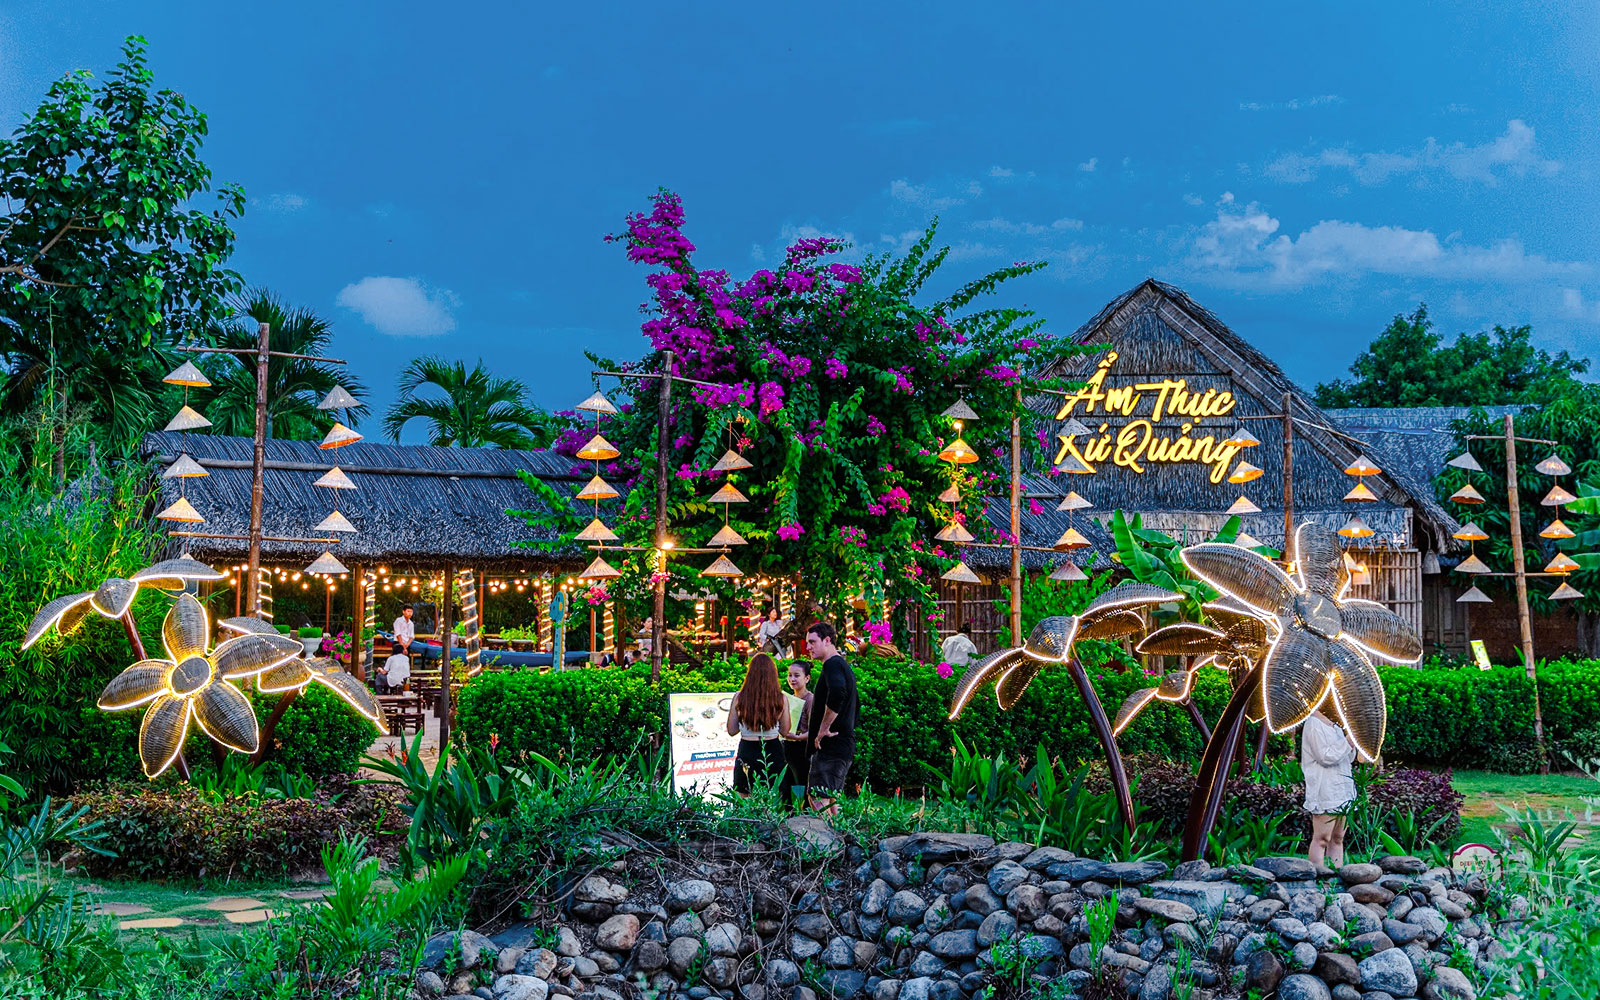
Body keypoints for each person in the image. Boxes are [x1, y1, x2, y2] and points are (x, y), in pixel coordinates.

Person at [804, 622, 858, 815]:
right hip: (840, 743)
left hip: (833, 744)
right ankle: (839, 836)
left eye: (812, 642)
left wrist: (822, 728)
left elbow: (837, 692)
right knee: (829, 796)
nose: (808, 647)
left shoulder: (833, 664)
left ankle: (827, 842)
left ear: (827, 640)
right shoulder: (839, 664)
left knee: (817, 796)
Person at [725, 653, 794, 794]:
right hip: (772, 750)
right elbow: (785, 731)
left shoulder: (739, 697)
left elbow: (731, 730)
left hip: (747, 749)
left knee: (744, 796)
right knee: (774, 796)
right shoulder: (781, 698)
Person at [1302, 706, 1358, 870]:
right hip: (1325, 789)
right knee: (1322, 838)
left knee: (1338, 837)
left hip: (1342, 790)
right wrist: (1347, 742)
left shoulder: (1335, 726)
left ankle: (1335, 877)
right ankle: (1318, 879)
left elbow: (1348, 757)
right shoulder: (1313, 723)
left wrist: (1352, 742)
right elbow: (1324, 756)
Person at [781, 660, 815, 805]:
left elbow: (814, 730)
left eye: (796, 675)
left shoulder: (810, 699)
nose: (792, 679)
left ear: (807, 678)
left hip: (803, 749)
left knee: (803, 784)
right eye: (789, 675)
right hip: (787, 746)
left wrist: (798, 737)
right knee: (785, 784)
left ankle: (806, 819)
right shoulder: (789, 698)